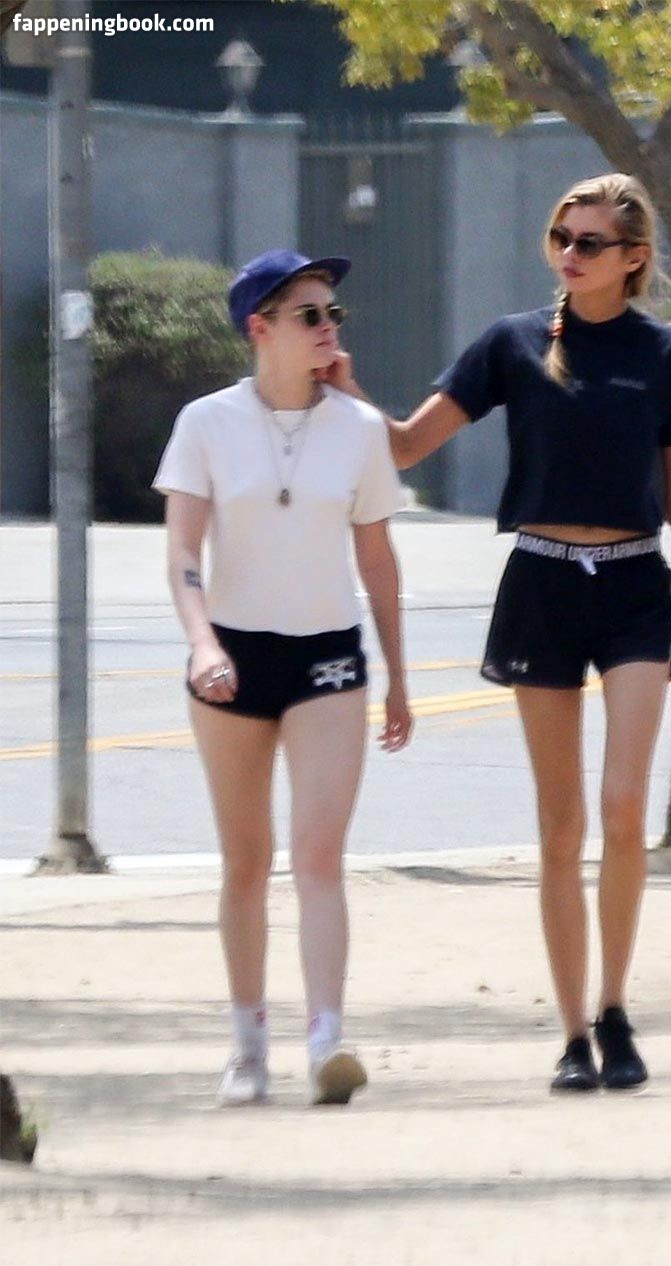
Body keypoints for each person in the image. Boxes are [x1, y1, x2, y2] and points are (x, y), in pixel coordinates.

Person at [326, 173, 671, 1092]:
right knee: (558, 823)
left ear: (632, 258)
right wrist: (345, 393)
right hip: (540, 581)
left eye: (589, 242)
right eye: (560, 237)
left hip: (634, 586)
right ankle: (572, 1034)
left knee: (622, 807)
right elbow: (407, 444)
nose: (569, 254)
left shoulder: (666, 354)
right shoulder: (510, 341)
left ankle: (615, 1011)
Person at [153, 249, 412, 1107]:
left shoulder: (360, 429)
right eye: (309, 314)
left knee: (318, 853)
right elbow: (182, 550)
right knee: (245, 860)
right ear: (259, 328)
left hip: (327, 656)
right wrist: (202, 643)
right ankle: (247, 1045)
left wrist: (398, 677)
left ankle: (326, 1040)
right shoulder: (206, 422)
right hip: (231, 655)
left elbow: (378, 560)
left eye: (333, 312)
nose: (328, 326)